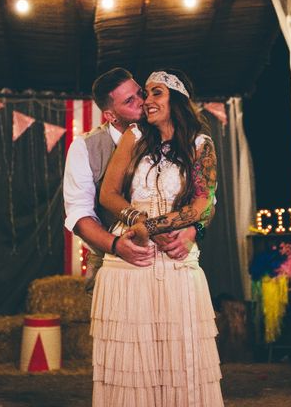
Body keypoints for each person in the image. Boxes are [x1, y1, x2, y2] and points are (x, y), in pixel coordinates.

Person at [93, 69, 224, 406]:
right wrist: (137, 218)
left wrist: (155, 228)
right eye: (145, 94)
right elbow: (108, 193)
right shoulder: (134, 135)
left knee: (181, 360)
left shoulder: (201, 144)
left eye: (156, 94)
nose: (147, 102)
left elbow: (201, 204)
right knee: (132, 361)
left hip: (177, 260)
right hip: (131, 263)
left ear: (176, 100)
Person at [63, 67, 197, 294]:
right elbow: (79, 214)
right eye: (129, 101)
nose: (142, 102)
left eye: (140, 93)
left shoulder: (177, 137)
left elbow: (206, 202)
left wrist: (195, 231)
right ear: (111, 115)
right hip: (113, 261)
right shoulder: (85, 148)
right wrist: (115, 245)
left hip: (173, 262)